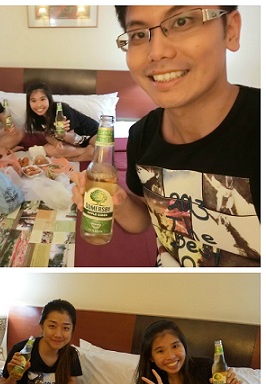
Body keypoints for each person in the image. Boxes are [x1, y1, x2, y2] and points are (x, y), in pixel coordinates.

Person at [72, 6, 259, 267]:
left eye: (182, 21)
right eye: (138, 35)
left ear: (230, 30)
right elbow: (145, 218)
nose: (157, 52)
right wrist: (119, 202)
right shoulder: (142, 135)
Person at [23, 82, 98, 160]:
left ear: (49, 99)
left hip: (91, 133)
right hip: (75, 144)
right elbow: (47, 135)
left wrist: (63, 134)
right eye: (33, 101)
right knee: (47, 149)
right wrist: (55, 143)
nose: (39, 105)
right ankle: (86, 151)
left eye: (42, 99)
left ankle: (76, 158)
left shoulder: (61, 110)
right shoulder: (35, 117)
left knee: (102, 149)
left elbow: (72, 138)